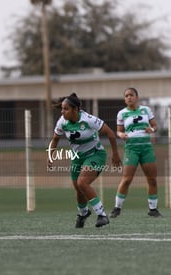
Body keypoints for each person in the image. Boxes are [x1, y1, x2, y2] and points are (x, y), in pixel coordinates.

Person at [47, 93, 122, 228]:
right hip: (77, 158)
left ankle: (102, 215)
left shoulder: (89, 119)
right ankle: (83, 213)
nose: (62, 112)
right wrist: (50, 155)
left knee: (82, 183)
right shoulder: (62, 122)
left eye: (66, 109)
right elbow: (55, 139)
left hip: (95, 154)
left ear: (75, 109)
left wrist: (115, 154)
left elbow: (110, 133)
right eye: (62, 109)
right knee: (79, 189)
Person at [109, 87, 162, 218]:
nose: (129, 97)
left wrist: (152, 130)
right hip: (131, 148)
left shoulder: (146, 110)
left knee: (152, 179)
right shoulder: (122, 113)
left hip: (146, 148)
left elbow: (154, 126)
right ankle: (117, 208)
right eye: (126, 96)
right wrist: (121, 135)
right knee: (127, 179)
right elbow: (119, 130)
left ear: (136, 97)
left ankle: (153, 209)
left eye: (131, 95)